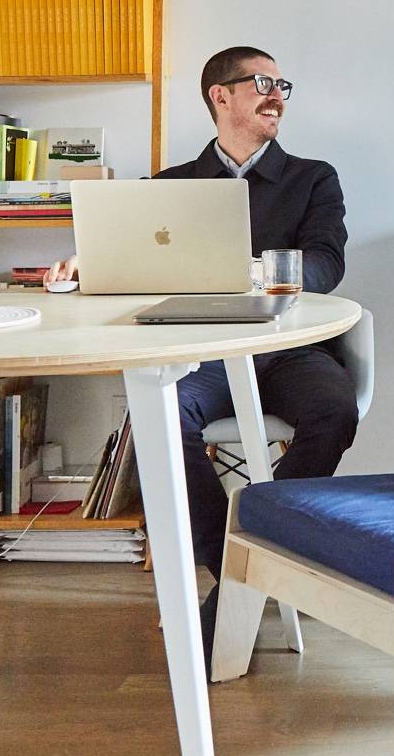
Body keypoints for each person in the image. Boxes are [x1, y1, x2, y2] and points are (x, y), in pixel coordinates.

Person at [44, 45, 354, 619]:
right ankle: (235, 567)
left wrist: (253, 273)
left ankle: (263, 556)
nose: (277, 96)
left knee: (335, 410)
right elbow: (132, 264)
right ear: (221, 95)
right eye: (263, 83)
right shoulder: (168, 186)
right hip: (202, 353)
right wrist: (89, 260)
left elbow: (326, 264)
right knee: (156, 417)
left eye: (283, 86)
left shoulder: (313, 179)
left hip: (287, 350)